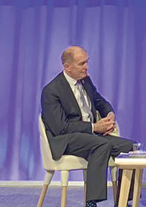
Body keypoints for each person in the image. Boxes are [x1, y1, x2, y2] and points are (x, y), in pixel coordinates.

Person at [41, 46, 136, 207]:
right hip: (66, 139)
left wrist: (109, 114)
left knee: (132, 148)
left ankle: (123, 199)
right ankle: (91, 202)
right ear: (67, 67)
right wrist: (93, 127)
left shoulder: (86, 81)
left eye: (87, 62)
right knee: (101, 145)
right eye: (81, 63)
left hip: (91, 137)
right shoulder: (51, 91)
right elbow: (60, 127)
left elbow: (100, 102)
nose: (86, 67)